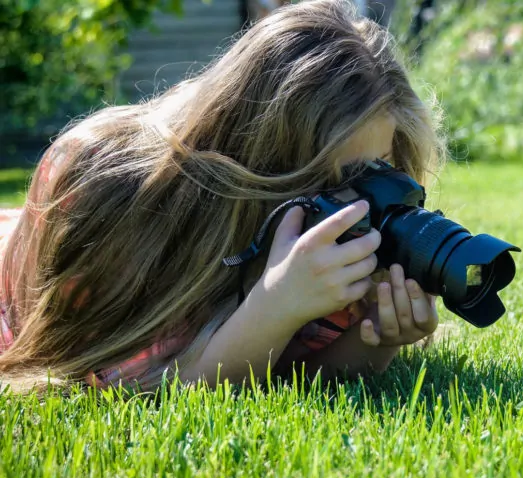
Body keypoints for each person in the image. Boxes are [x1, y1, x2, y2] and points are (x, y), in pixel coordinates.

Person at [0, 0, 444, 393]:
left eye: (375, 172)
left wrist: (377, 335)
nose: (357, 204)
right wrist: (274, 306)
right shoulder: (104, 182)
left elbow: (299, 378)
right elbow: (131, 383)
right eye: (323, 178)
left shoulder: (349, 221)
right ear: (260, 159)